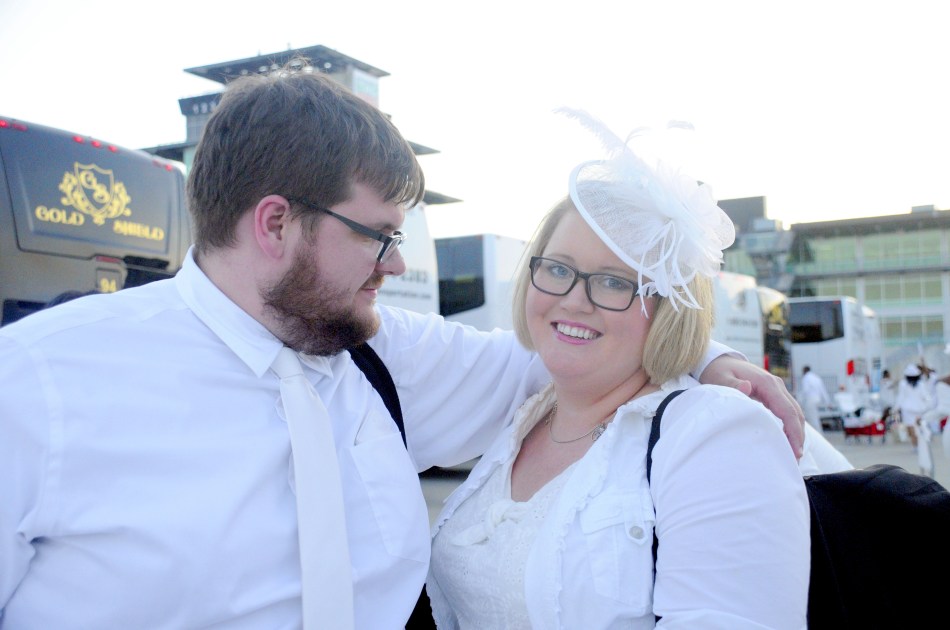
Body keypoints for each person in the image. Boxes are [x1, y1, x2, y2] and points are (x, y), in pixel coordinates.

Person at [0, 68, 804, 629]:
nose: (397, 264)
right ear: (276, 224)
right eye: (380, 235)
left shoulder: (382, 356)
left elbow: (581, 353)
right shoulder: (38, 385)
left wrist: (704, 356)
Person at [427, 114, 811, 628]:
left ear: (670, 306)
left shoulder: (717, 434)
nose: (573, 300)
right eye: (558, 269)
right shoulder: (528, 410)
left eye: (613, 282)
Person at [895, 363, 933, 449]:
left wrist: (896, 408)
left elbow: (900, 397)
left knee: (911, 427)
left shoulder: (903, 384)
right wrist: (929, 406)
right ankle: (920, 443)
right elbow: (926, 397)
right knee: (919, 426)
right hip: (919, 408)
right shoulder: (921, 384)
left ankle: (915, 445)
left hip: (907, 409)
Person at [798, 365, 832, 431]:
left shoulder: (806, 378)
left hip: (810, 400)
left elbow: (805, 390)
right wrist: (828, 402)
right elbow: (823, 391)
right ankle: (818, 432)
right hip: (817, 399)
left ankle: (816, 433)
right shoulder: (817, 378)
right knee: (815, 417)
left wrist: (800, 401)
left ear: (804, 370)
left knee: (812, 418)